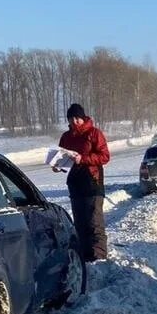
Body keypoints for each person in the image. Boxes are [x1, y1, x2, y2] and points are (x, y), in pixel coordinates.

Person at [55, 103, 111, 260]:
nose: (74, 121)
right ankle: (85, 257)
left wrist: (83, 159)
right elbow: (62, 158)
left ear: (83, 117)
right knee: (80, 224)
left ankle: (99, 257)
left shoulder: (94, 133)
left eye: (77, 118)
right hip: (75, 183)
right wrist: (57, 166)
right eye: (71, 119)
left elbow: (105, 156)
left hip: (92, 182)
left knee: (94, 223)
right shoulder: (66, 137)